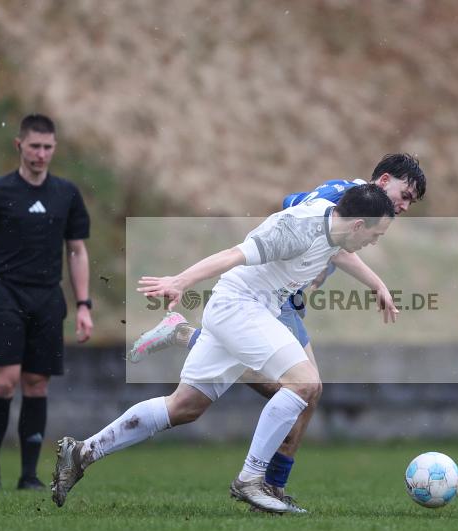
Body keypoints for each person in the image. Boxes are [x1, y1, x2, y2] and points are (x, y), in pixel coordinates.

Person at [51, 183, 397, 512]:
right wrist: (180, 281)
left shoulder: (336, 228)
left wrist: (376, 283)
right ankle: (250, 479)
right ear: (357, 225)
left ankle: (83, 452)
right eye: (375, 235)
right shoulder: (298, 229)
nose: (375, 242)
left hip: (246, 310)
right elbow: (234, 255)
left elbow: (339, 251)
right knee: (304, 384)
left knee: (184, 406)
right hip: (240, 308)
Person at [126, 154, 426, 510]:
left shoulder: (355, 201)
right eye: (405, 195)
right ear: (384, 180)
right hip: (268, 299)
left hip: (285, 297)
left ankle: (271, 485)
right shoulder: (339, 200)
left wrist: (375, 283)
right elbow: (293, 215)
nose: (405, 206)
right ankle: (260, 481)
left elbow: (311, 223)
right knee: (299, 387)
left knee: (306, 391)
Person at [0, 114, 93, 491]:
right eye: (34, 146)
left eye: (48, 147)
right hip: (4, 292)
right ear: (19, 145)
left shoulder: (66, 194)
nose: (41, 154)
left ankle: (29, 476)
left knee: (37, 383)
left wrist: (84, 304)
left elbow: (77, 251)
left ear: (54, 148)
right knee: (3, 382)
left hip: (47, 296)